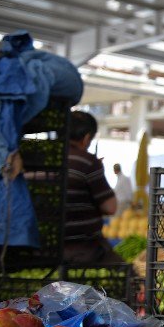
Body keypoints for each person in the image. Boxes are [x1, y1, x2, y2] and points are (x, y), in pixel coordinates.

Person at [64, 111, 122, 265]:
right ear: (87, 138)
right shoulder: (88, 162)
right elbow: (111, 208)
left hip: (42, 246)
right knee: (130, 276)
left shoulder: (42, 159)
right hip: (82, 250)